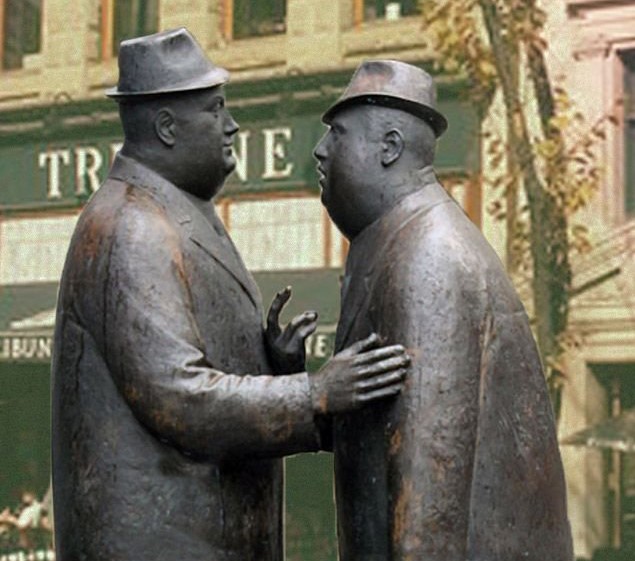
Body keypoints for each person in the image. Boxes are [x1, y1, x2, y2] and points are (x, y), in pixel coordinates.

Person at [51, 30, 409, 561]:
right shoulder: (130, 226)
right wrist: (313, 393)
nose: (232, 125)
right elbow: (179, 399)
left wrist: (276, 365)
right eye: (215, 110)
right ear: (168, 127)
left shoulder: (176, 210)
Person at [314, 59, 574, 561]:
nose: (320, 151)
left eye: (339, 135)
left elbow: (428, 504)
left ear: (389, 147)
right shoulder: (390, 242)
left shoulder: (426, 256)